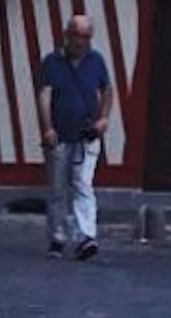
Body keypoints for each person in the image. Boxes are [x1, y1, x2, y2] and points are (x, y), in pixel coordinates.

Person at [36, 14, 113, 261]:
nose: (81, 41)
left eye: (86, 36)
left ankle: (85, 237)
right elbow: (45, 96)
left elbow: (107, 90)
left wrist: (103, 118)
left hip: (86, 135)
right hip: (59, 134)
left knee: (83, 185)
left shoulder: (96, 61)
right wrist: (47, 127)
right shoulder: (52, 62)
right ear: (67, 35)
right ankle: (57, 237)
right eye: (77, 35)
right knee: (58, 189)